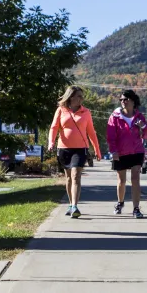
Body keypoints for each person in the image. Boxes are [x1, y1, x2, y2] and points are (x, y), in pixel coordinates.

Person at [47, 85, 103, 218]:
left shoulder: (86, 112)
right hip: (64, 148)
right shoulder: (61, 110)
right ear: (71, 97)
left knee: (76, 175)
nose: (81, 99)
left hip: (80, 149)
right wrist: (51, 142)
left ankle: (75, 206)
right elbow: (54, 127)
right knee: (68, 178)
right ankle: (71, 203)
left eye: (82, 96)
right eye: (79, 96)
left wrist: (97, 149)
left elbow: (91, 132)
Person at [106, 89, 147, 218]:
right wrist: (113, 151)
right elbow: (111, 136)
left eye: (126, 99)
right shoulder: (115, 117)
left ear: (133, 101)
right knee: (121, 180)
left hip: (137, 151)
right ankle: (120, 203)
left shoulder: (139, 117)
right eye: (121, 100)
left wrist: (143, 127)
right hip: (121, 152)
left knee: (135, 178)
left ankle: (136, 208)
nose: (123, 102)